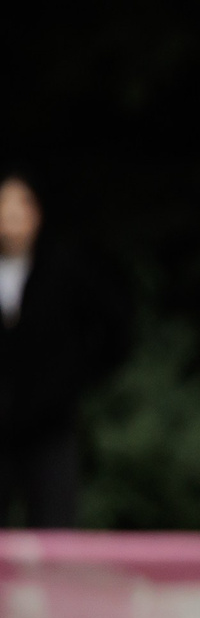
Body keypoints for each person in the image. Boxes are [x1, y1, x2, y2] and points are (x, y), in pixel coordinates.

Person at [0, 171, 128, 527]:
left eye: (21, 203)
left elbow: (111, 327)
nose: (11, 213)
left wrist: (71, 381)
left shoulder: (63, 270)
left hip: (50, 425)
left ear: (37, 212)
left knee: (55, 528)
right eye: (4, 203)